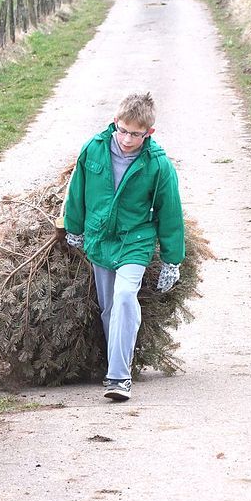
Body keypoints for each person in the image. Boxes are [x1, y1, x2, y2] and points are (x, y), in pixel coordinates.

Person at [64, 92, 184, 402]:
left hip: (136, 240)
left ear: (149, 133)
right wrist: (74, 228)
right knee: (108, 309)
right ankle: (116, 363)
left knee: (125, 296)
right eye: (123, 130)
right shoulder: (94, 149)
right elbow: (78, 191)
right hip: (100, 240)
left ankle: (119, 377)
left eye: (136, 134)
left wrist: (172, 260)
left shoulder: (157, 165)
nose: (127, 139)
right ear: (115, 122)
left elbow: (170, 211)